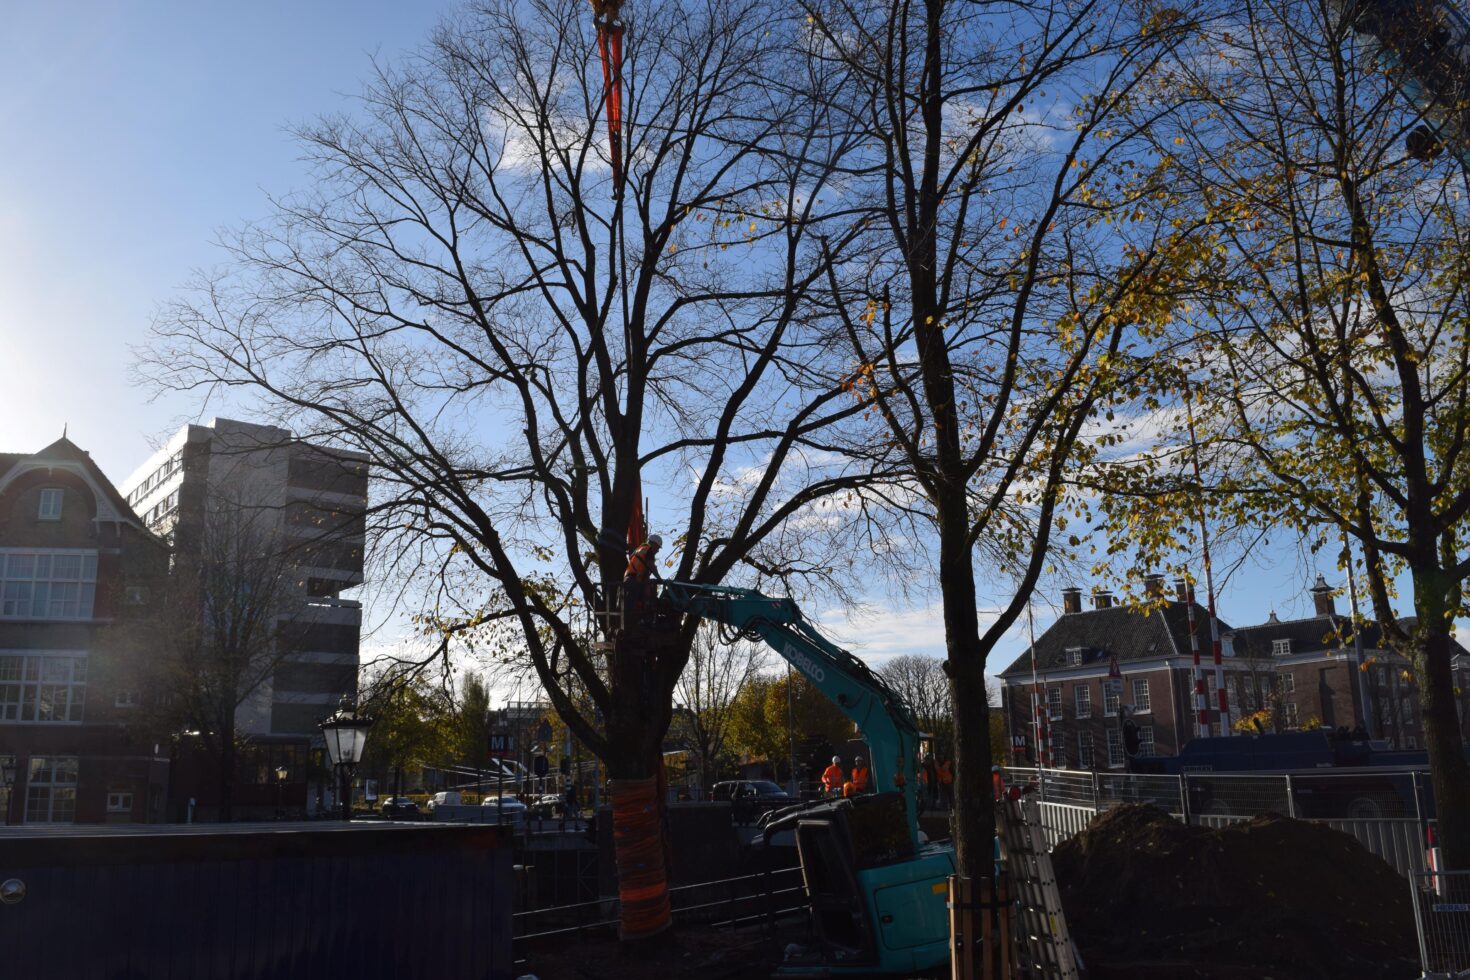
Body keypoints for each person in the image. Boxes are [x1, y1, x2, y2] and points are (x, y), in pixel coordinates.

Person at [622, 533, 663, 620]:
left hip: (630, 579)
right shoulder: (648, 550)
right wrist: (659, 579)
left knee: (635, 602)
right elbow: (651, 565)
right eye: (658, 547)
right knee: (633, 604)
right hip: (633, 580)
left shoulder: (640, 549)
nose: (658, 550)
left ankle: (636, 619)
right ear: (654, 543)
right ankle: (635, 620)